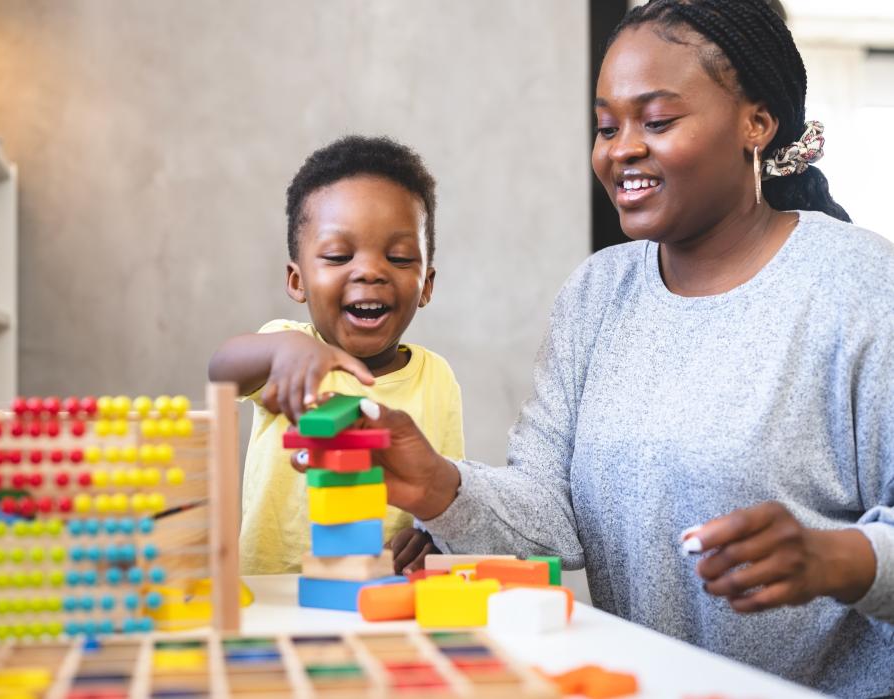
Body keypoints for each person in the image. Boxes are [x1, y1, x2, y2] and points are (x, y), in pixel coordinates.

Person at [290, 2, 894, 696]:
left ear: (756, 122)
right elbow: (551, 517)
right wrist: (437, 485)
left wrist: (838, 557)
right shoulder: (596, 294)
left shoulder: (860, 286)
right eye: (607, 126)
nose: (621, 149)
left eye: (657, 121)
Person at [209, 135, 464, 576]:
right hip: (271, 595)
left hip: (378, 598)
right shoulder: (285, 348)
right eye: (338, 255)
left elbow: (448, 493)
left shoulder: (437, 378)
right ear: (297, 280)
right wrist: (281, 352)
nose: (370, 271)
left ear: (426, 284)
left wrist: (430, 536)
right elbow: (220, 371)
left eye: (400, 258)